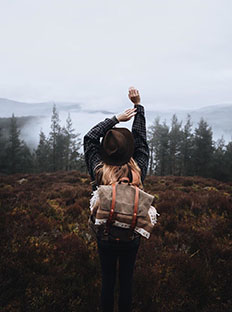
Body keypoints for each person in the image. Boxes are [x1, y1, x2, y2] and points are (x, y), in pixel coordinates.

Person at [83, 86, 149, 312]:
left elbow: (89, 138)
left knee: (108, 281)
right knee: (126, 282)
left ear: (106, 151)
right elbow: (141, 139)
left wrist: (115, 119)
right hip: (131, 236)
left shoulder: (99, 170)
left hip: (106, 235)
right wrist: (137, 107)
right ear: (129, 150)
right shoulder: (138, 169)